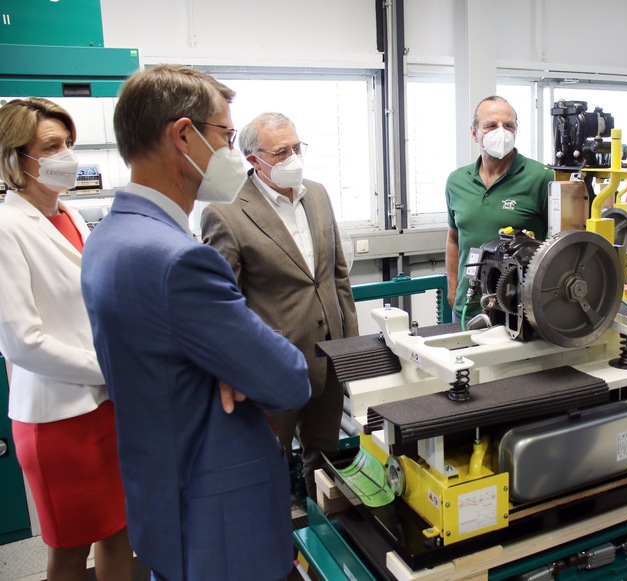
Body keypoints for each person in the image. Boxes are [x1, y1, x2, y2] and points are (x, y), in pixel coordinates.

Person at [81, 64, 311, 581]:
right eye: (226, 136)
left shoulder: (107, 239)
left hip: (161, 498)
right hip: (220, 517)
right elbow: (286, 378)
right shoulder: (179, 259)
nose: (232, 153)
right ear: (183, 135)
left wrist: (225, 358)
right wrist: (239, 362)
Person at [0, 98, 133, 580]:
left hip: (104, 409)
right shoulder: (6, 228)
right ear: (17, 158)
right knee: (70, 550)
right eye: (51, 146)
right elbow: (22, 342)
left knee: (120, 532)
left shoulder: (70, 216)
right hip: (57, 420)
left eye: (69, 144)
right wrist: (109, 368)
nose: (67, 156)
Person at [201, 111, 358, 500]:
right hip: (271, 365)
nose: (294, 158)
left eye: (297, 147)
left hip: (329, 356)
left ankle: (322, 536)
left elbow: (337, 276)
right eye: (282, 151)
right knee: (264, 462)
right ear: (254, 160)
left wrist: (350, 347)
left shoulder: (317, 194)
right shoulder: (226, 212)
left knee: (324, 460)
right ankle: (273, 548)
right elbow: (223, 305)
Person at [445, 95, 554, 323]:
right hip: (467, 307)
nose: (501, 132)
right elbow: (454, 238)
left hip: (519, 310)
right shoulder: (457, 181)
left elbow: (564, 242)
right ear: (474, 133)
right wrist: (453, 288)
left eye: (508, 125)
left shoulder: (542, 178)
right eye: (491, 126)